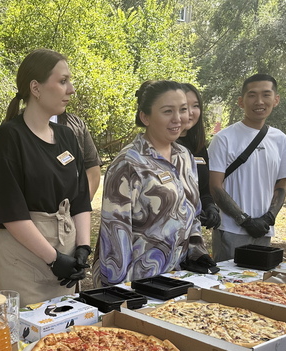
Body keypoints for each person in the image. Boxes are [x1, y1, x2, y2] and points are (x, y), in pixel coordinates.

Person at [0, 48, 92, 307]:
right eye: (63, 81)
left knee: (66, 340)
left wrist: (82, 248)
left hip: (65, 259)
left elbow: (80, 197)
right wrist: (53, 258)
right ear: (36, 87)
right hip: (22, 261)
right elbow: (11, 213)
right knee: (27, 341)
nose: (71, 89)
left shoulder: (66, 136)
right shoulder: (9, 138)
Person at [92, 80, 215, 286]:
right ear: (145, 117)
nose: (178, 119)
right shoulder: (128, 164)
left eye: (182, 110)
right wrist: (118, 292)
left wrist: (198, 253)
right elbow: (114, 233)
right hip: (136, 282)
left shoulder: (184, 156)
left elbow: (192, 214)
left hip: (176, 277)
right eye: (167, 111)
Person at [209, 74, 286, 262]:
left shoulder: (281, 140)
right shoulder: (224, 138)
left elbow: (281, 185)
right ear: (241, 101)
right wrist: (244, 220)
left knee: (255, 285)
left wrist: (268, 218)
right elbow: (215, 186)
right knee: (226, 286)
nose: (259, 101)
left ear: (276, 100)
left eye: (266, 95)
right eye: (252, 95)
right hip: (230, 230)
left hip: (263, 231)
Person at [177, 83, 220, 229]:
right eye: (184, 107)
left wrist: (210, 206)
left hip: (192, 233)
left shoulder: (199, 147)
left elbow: (204, 190)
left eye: (195, 106)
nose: (190, 112)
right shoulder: (162, 146)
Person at [53, 112, 104, 200]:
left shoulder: (76, 123)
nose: (69, 97)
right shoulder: (21, 128)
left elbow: (92, 167)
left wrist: (81, 205)